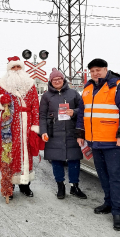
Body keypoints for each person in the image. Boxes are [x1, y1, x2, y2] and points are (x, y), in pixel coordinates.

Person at [76, 58, 120, 231]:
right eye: (92, 70)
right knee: (103, 175)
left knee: (116, 177)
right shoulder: (87, 88)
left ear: (106, 69)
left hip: (113, 142)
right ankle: (108, 203)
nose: (95, 73)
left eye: (98, 70)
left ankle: (118, 213)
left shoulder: (118, 86)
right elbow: (82, 113)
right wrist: (80, 133)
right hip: (94, 141)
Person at [0, 56, 40, 203]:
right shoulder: (2, 84)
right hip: (10, 125)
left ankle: (25, 185)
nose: (16, 70)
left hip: (27, 123)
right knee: (9, 153)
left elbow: (36, 106)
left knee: (26, 153)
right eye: (13, 67)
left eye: (18, 67)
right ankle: (9, 186)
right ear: (9, 69)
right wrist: (1, 101)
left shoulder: (30, 84)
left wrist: (35, 126)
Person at [39, 68, 87, 200]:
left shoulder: (73, 93)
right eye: (54, 80)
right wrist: (43, 131)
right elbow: (42, 115)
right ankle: (60, 185)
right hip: (54, 132)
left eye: (59, 79)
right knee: (56, 161)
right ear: (50, 81)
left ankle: (74, 186)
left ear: (63, 79)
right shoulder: (46, 96)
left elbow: (82, 110)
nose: (57, 81)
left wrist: (74, 112)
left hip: (72, 131)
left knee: (74, 160)